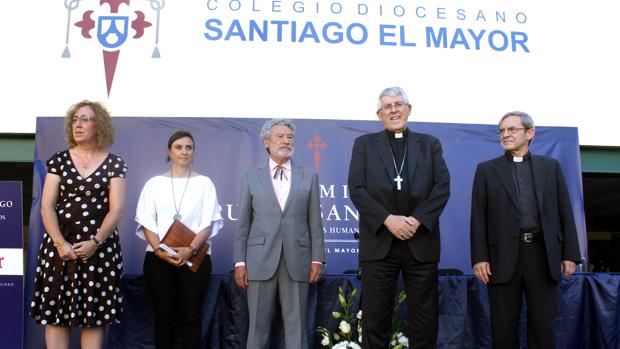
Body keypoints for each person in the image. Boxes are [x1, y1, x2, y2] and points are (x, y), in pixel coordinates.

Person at [348, 87, 451, 348]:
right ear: (379, 114)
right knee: (375, 320)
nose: (393, 110)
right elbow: (357, 189)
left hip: (420, 242)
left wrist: (416, 220)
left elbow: (442, 187)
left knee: (424, 321)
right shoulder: (364, 145)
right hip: (380, 243)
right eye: (387, 106)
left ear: (409, 108)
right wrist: (388, 220)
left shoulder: (429, 144)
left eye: (398, 104)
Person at [470, 111, 582, 348]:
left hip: (542, 255)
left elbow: (564, 211)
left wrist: (569, 254)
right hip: (502, 257)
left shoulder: (550, 167)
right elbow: (478, 217)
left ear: (530, 133)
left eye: (512, 129)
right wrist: (480, 258)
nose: (505, 134)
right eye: (502, 130)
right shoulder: (486, 170)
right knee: (503, 328)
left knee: (542, 327)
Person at [30, 100, 127, 349]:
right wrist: (60, 243)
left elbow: (116, 209)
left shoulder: (115, 163)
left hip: (100, 250)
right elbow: (46, 206)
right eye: (75, 119)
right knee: (55, 314)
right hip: (60, 248)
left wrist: (96, 242)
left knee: (93, 318)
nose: (78, 124)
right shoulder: (59, 161)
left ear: (100, 126)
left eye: (85, 119)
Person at [233, 118, 325, 349]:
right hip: (259, 260)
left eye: (290, 136)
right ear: (266, 142)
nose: (286, 140)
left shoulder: (309, 175)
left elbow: (315, 221)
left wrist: (317, 258)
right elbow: (243, 223)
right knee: (257, 328)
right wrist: (240, 262)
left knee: (296, 328)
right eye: (280, 136)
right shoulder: (250, 176)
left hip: (298, 260)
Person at [134, 130, 223, 348]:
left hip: (195, 258)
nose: (184, 151)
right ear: (169, 152)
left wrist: (190, 250)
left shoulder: (205, 183)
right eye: (178, 147)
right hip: (158, 258)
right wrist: (159, 250)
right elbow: (147, 221)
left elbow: (207, 223)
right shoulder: (153, 184)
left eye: (189, 147)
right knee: (163, 316)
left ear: (193, 152)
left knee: (191, 315)